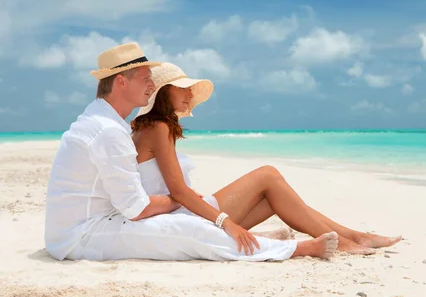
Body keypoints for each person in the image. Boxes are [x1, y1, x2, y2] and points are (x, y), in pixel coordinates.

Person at [44, 43, 338, 262]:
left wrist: (181, 200)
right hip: (83, 235)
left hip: (89, 226)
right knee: (188, 229)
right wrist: (178, 199)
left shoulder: (105, 122)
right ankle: (296, 249)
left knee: (189, 224)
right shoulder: (107, 129)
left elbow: (132, 202)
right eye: (146, 78)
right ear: (121, 81)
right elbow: (137, 209)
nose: (151, 84)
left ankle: (279, 241)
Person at [130, 61, 402, 255]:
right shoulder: (159, 128)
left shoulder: (150, 127)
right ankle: (346, 240)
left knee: (277, 198)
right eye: (183, 88)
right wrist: (229, 223)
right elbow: (178, 191)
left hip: (179, 213)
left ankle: (354, 236)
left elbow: (169, 187)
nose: (190, 94)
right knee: (268, 174)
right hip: (181, 218)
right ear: (165, 92)